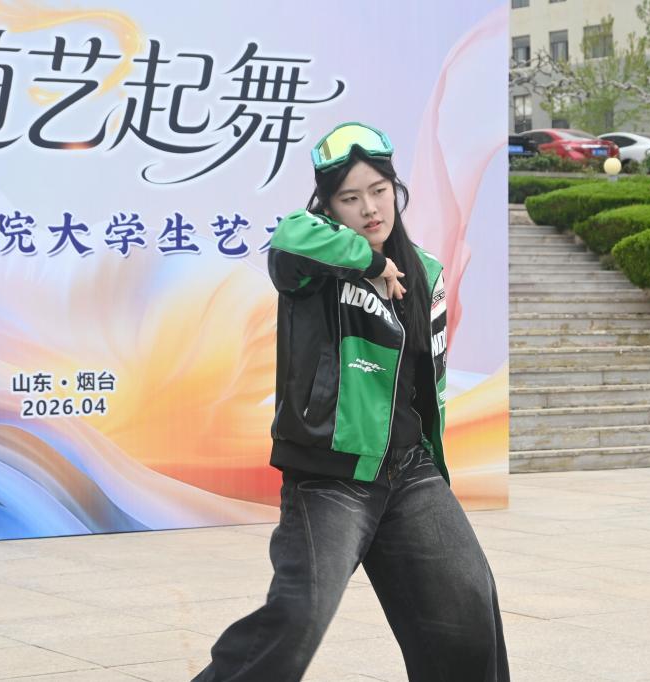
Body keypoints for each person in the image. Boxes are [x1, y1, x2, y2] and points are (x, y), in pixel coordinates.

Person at [193, 122, 509, 681]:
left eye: (379, 190)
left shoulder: (426, 272)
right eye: (350, 198)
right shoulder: (314, 267)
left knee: (468, 609)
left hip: (410, 472)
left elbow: (426, 385)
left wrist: (433, 466)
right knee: (298, 618)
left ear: (395, 189)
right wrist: (370, 263)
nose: (369, 208)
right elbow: (290, 237)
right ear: (329, 206)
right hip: (331, 474)